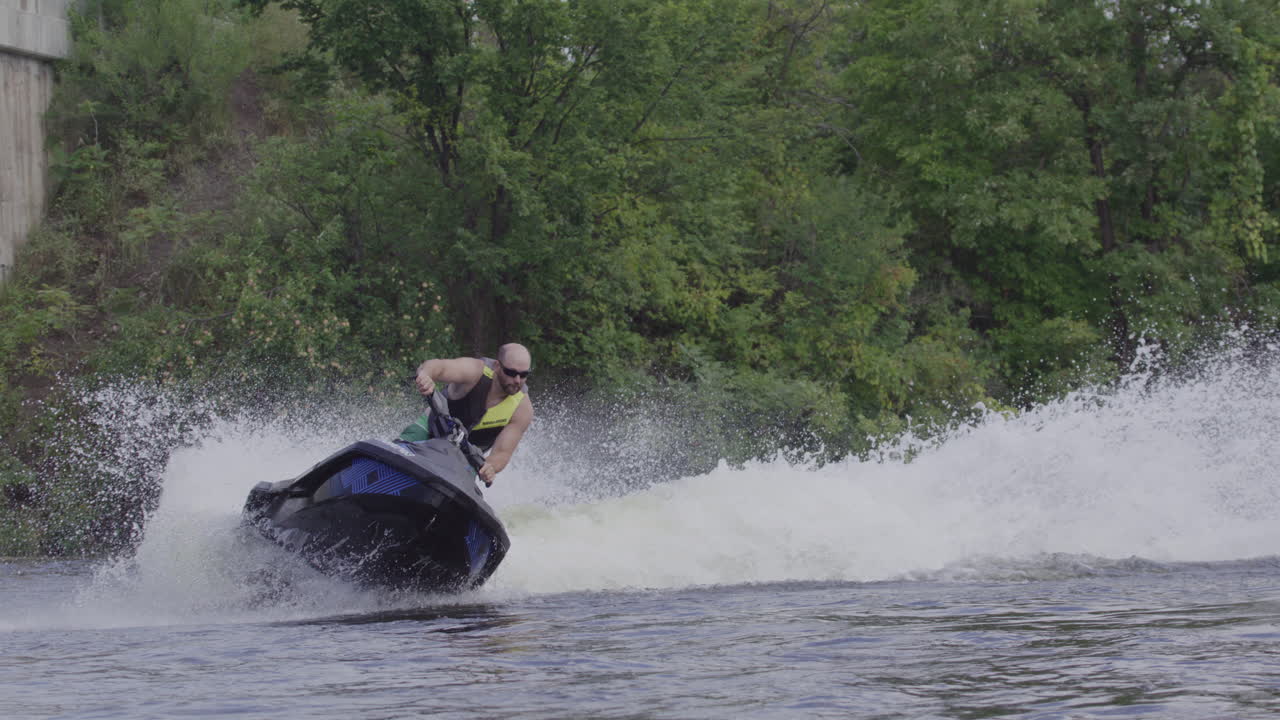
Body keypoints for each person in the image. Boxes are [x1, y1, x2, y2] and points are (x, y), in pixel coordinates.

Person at [398, 343, 534, 486]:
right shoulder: (475, 371)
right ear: (497, 366)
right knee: (399, 452)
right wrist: (425, 374)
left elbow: (502, 453)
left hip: (465, 459)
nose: (517, 380)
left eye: (524, 374)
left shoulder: (523, 409)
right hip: (429, 429)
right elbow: (439, 367)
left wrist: (490, 467)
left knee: (465, 477)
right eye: (511, 373)